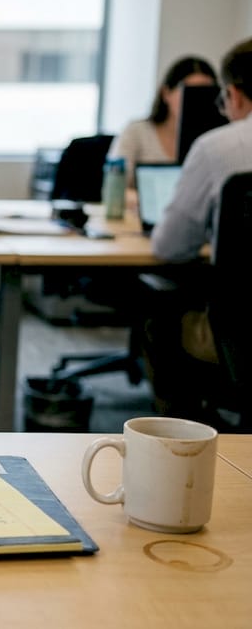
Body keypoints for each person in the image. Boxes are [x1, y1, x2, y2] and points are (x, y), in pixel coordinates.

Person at [142, 38, 252, 425]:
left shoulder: (217, 147)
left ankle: (188, 448)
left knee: (161, 316)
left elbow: (170, 246)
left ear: (234, 94)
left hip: (243, 335)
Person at [107, 55, 217, 190]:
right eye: (190, 93)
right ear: (166, 94)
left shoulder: (214, 139)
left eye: (205, 94)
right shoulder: (136, 132)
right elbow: (115, 189)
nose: (197, 102)